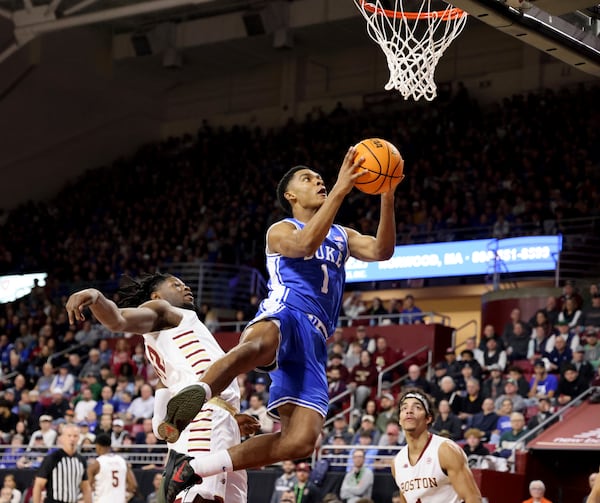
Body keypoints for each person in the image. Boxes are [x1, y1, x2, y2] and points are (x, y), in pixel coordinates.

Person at [114, 152, 400, 501]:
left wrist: (387, 194)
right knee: (257, 346)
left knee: (300, 442)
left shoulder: (343, 235)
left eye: (319, 177)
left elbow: (383, 250)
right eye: (308, 178)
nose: (319, 181)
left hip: (317, 338)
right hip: (286, 311)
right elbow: (306, 244)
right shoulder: (281, 229)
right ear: (291, 196)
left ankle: (193, 469)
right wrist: (342, 187)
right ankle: (201, 393)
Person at [65, 273, 259, 503]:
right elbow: (117, 319)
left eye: (184, 283)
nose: (185, 286)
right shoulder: (162, 309)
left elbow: (167, 385)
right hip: (204, 416)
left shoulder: (173, 337)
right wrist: (95, 296)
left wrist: (230, 415)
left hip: (213, 417)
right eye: (175, 285)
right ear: (156, 296)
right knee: (200, 497)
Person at [392, 388, 482, 502]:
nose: (409, 411)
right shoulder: (397, 463)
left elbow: (473, 498)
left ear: (428, 418)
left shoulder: (446, 450)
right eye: (404, 408)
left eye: (417, 407)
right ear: (400, 420)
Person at [31, 424, 92, 503]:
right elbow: (38, 485)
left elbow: (86, 487)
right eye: (69, 436)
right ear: (62, 438)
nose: (72, 439)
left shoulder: (81, 460)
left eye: (75, 436)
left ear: (79, 438)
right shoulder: (52, 458)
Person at [87, 432, 137, 503]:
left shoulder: (96, 464)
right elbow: (133, 485)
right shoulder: (122, 461)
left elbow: (87, 487)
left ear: (98, 446)